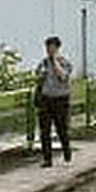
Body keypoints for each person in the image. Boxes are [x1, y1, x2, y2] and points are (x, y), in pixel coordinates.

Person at [34, 35, 74, 167]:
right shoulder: (43, 63)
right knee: (44, 131)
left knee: (61, 129)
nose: (49, 50)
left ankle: (67, 151)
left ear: (57, 48)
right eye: (47, 47)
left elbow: (63, 76)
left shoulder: (64, 62)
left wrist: (55, 61)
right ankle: (47, 159)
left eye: (52, 47)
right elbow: (38, 77)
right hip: (46, 99)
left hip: (61, 99)